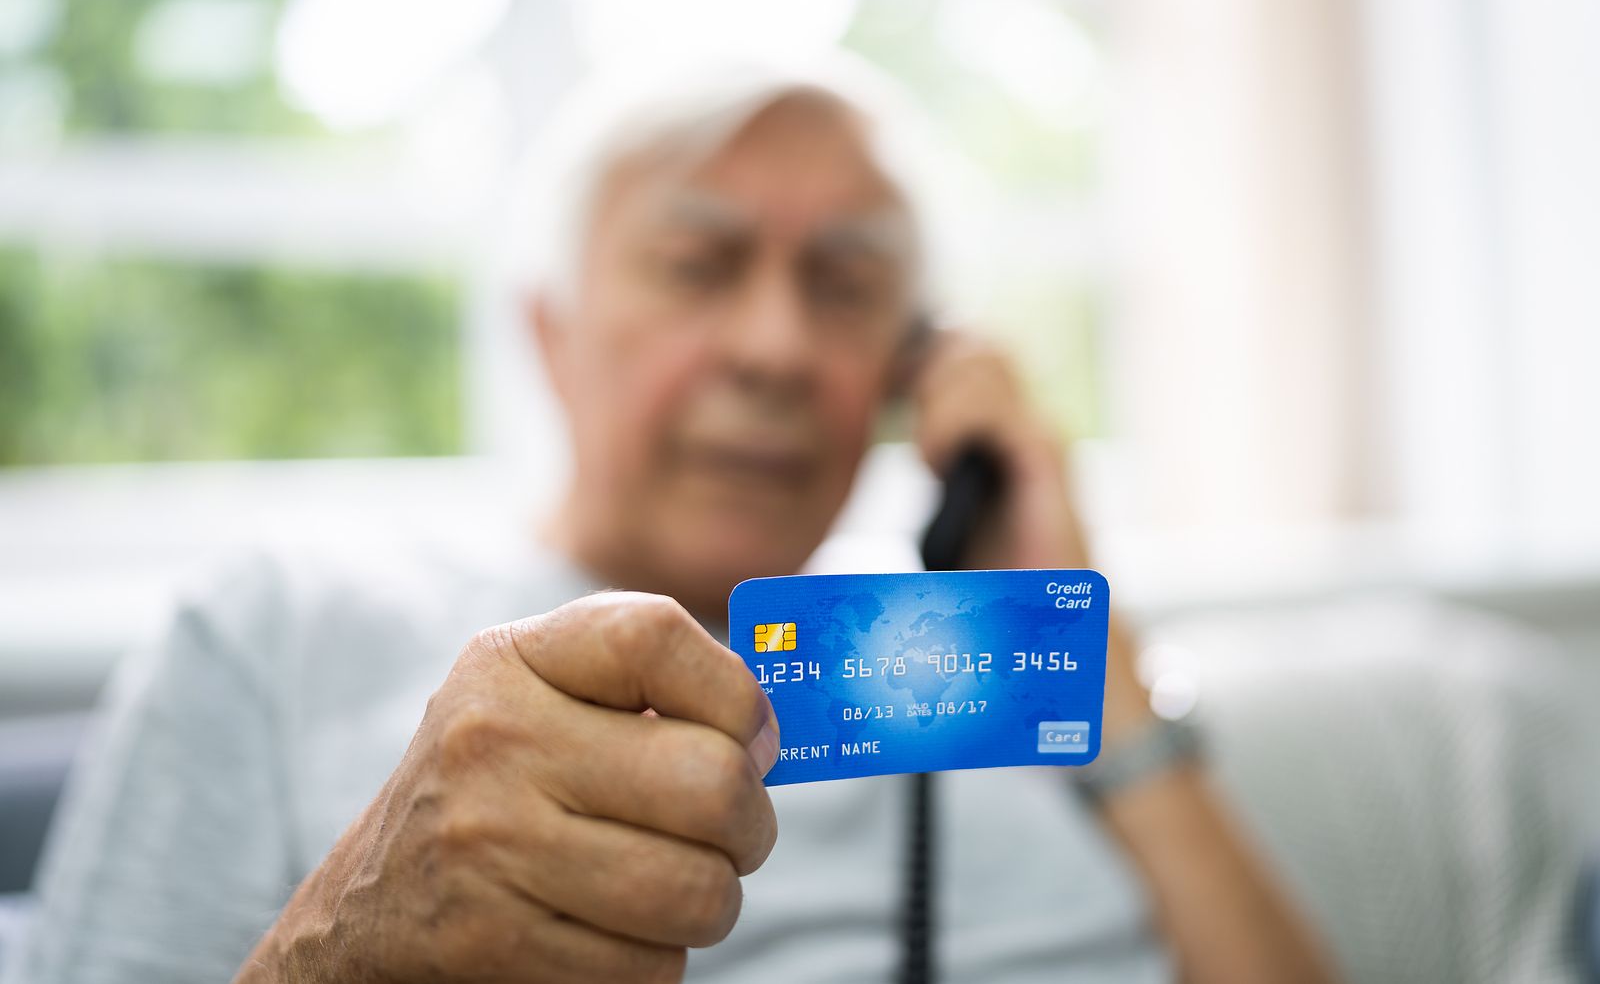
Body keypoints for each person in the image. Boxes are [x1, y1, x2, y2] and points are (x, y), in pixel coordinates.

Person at [7, 58, 1339, 984]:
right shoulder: (289, 620)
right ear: (550, 331)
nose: (772, 344)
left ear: (906, 371)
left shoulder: (979, 659)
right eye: (698, 267)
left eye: (845, 285)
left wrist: (1078, 634)